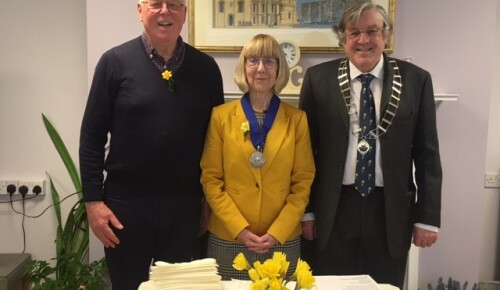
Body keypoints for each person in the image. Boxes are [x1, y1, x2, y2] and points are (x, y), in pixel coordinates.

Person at [79, 0, 224, 289]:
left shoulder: (206, 68)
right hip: (125, 206)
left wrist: (209, 199)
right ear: (140, 10)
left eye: (174, 4)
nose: (165, 12)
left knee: (180, 287)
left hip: (184, 206)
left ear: (184, 13)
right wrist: (94, 203)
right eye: (156, 3)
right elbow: (92, 135)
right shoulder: (114, 62)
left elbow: (216, 143)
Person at [298, 1, 442, 288]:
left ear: (385, 36)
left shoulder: (416, 81)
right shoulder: (318, 80)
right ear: (343, 39)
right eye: (354, 33)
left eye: (372, 31)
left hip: (390, 212)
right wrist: (308, 210)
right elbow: (305, 155)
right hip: (334, 211)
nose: (363, 40)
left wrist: (427, 218)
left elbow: (427, 155)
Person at [200, 34, 315, 280]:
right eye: (253, 60)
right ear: (244, 67)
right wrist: (238, 229)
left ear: (279, 69)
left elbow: (303, 182)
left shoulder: (297, 120)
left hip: (281, 240)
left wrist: (278, 231)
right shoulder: (220, 117)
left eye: (269, 61)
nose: (261, 69)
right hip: (229, 237)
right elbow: (211, 179)